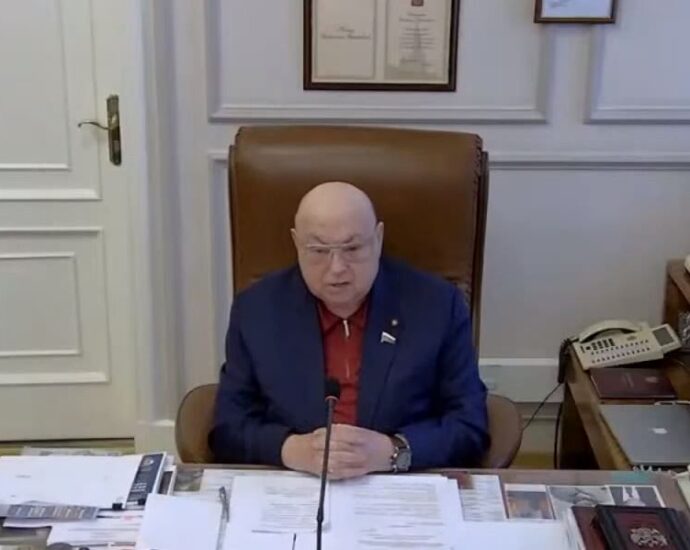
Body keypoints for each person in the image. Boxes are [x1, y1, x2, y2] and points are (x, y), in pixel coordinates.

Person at [209, 181, 489, 479]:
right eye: (319, 250)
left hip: (399, 483)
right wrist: (291, 450)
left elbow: (469, 424)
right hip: (295, 484)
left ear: (378, 238)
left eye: (353, 248)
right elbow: (228, 427)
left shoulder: (437, 306)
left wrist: (393, 450)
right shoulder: (256, 310)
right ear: (296, 243)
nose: (337, 268)